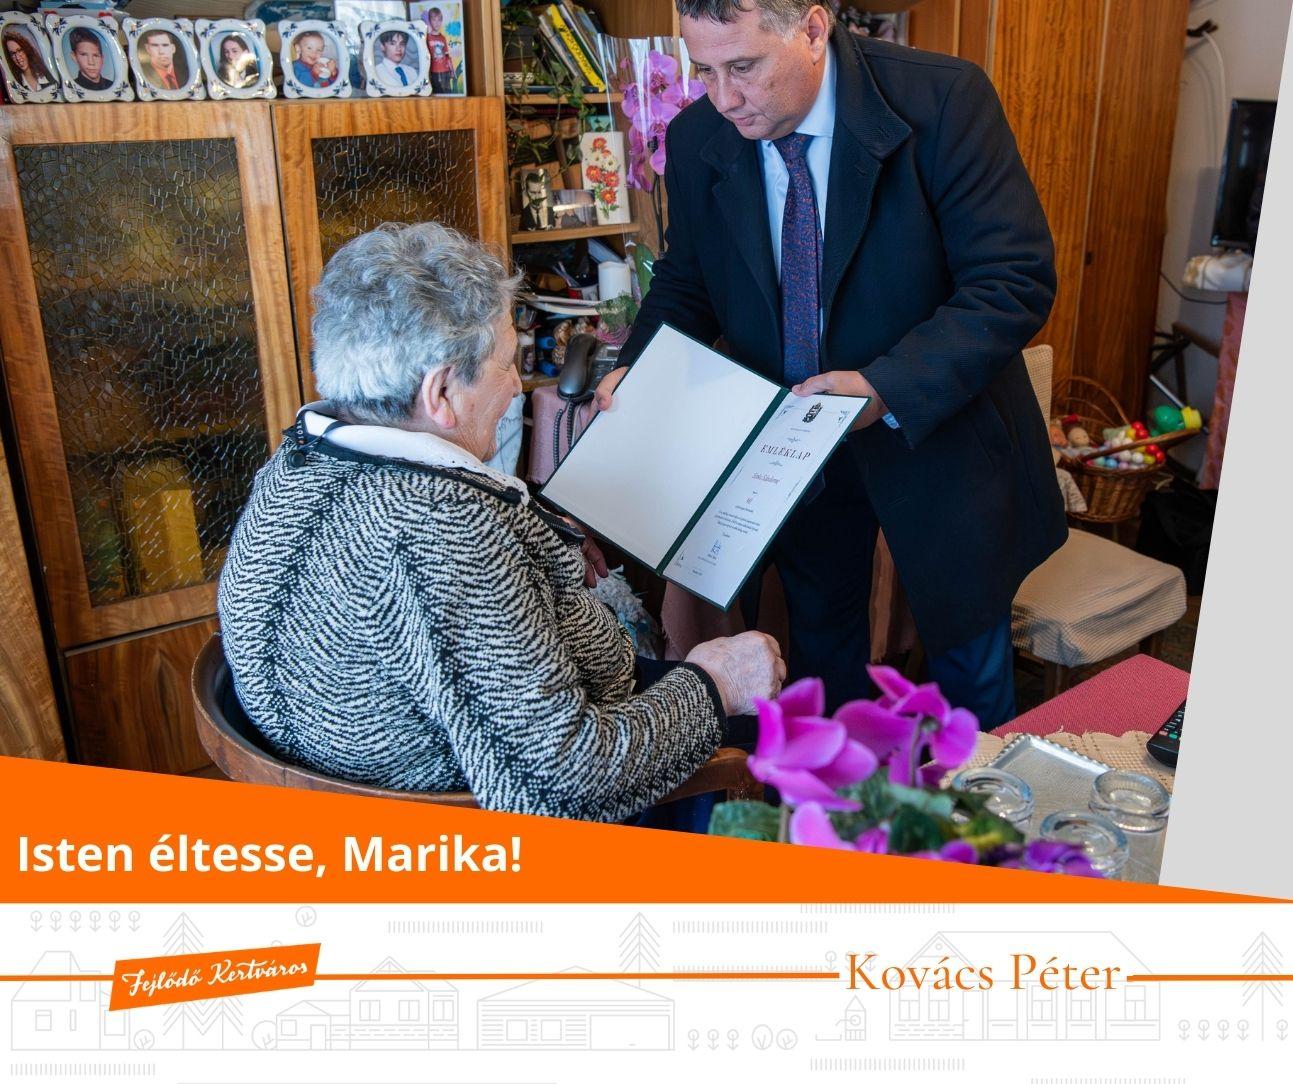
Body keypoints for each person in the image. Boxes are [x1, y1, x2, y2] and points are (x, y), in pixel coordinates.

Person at [596, 1, 1066, 728]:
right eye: (704, 71)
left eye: (743, 67)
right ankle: (842, 792)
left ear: (812, 31)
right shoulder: (697, 138)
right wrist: (638, 366)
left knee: (968, 672)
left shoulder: (942, 99)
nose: (723, 99)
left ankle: (971, 802)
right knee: (821, 653)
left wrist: (884, 387)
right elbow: (688, 278)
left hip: (935, 427)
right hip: (797, 441)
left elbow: (1012, 280)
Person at [218, 222, 783, 822]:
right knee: (766, 723)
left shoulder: (296, 460)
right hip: (484, 815)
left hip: (389, 747)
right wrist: (715, 684)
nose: (516, 387)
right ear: (440, 393)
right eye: (505, 364)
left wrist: (531, 541)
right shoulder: (440, 533)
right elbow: (560, 782)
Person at [3, 27, 56, 93]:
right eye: (13, 54)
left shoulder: (48, 76)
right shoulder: (14, 85)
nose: (18, 57)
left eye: (19, 50)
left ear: (26, 50)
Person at [422, 6, 454, 94]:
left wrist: (451, 70)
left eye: (439, 20)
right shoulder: (426, 38)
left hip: (445, 71)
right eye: (434, 20)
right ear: (430, 20)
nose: (437, 23)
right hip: (433, 72)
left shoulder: (443, 38)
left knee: (447, 93)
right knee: (437, 93)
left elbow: (447, 55)